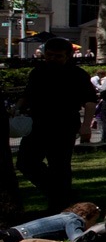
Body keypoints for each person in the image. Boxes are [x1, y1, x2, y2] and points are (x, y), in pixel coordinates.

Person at [18, 38, 97, 212]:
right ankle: (61, 194)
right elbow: (27, 94)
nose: (52, 59)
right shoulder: (38, 72)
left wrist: (86, 126)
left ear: (68, 56)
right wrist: (17, 108)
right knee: (25, 163)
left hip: (64, 124)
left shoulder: (77, 74)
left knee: (60, 165)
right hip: (37, 123)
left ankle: (59, 202)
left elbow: (90, 102)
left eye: (58, 56)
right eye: (49, 55)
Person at [3, 202, 103, 242]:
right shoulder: (75, 220)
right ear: (85, 216)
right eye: (94, 220)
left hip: (12, 232)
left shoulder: (65, 216)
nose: (94, 223)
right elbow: (77, 239)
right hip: (15, 236)